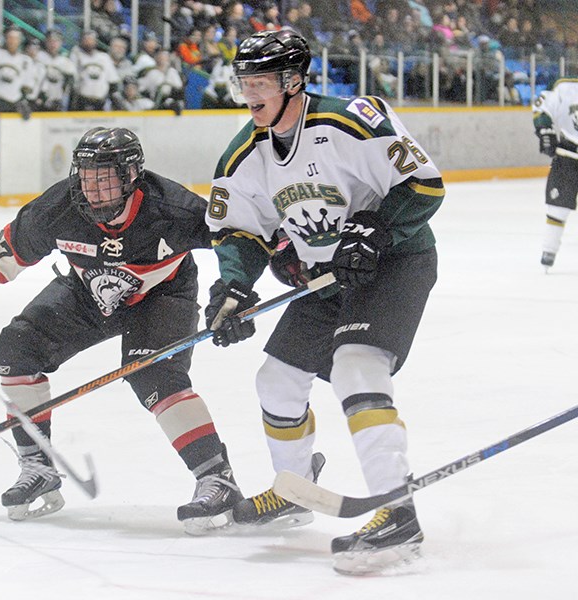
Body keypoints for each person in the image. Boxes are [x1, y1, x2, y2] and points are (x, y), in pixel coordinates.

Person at [0, 127, 244, 535]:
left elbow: (238, 239)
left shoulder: (172, 207)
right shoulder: (61, 206)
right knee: (19, 344)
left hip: (163, 295)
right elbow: (1, 251)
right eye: (87, 178)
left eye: (105, 178)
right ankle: (37, 466)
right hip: (87, 289)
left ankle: (217, 476)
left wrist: (238, 291)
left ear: (131, 176)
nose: (93, 190)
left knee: (152, 372)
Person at [203, 30, 444, 574]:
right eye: (244, 83)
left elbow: (425, 185)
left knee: (357, 367)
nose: (249, 93)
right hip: (326, 277)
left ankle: (396, 511)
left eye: (259, 82)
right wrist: (233, 288)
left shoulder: (352, 119)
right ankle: (293, 489)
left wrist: (375, 228)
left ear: (293, 80)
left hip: (395, 262)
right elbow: (240, 232)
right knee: (276, 380)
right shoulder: (244, 153)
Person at [532, 79, 578, 271]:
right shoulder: (565, 87)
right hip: (568, 155)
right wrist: (545, 130)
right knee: (557, 207)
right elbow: (542, 108)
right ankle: (549, 249)